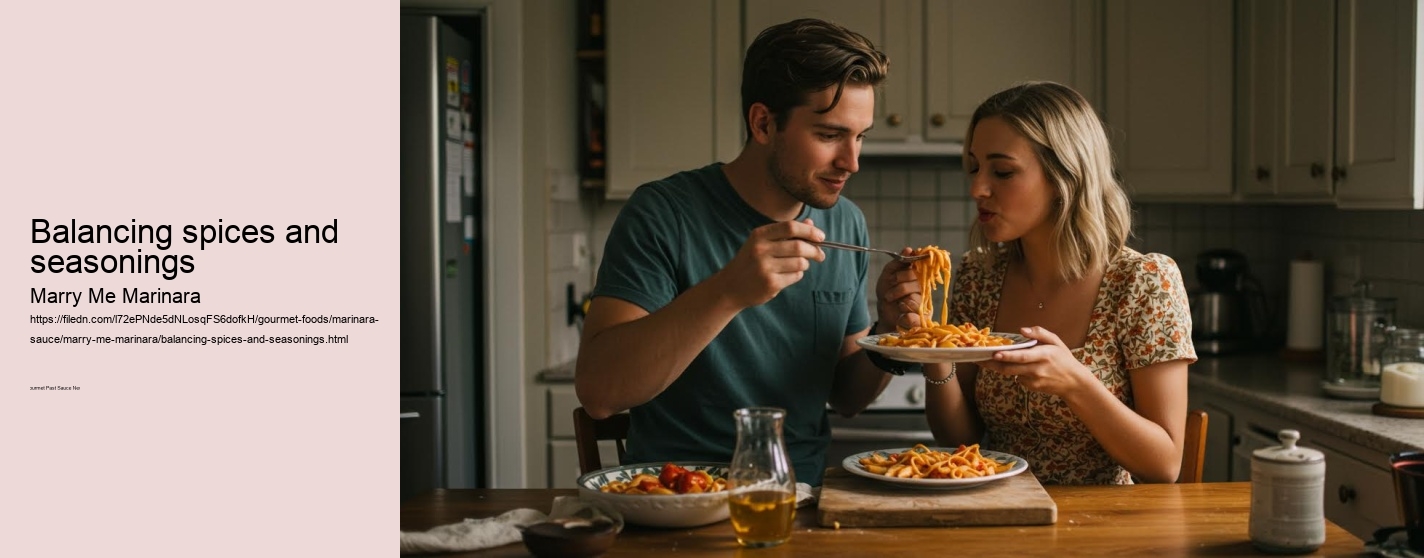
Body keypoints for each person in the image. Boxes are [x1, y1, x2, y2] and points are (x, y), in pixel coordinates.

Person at [574, 18, 914, 487]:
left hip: (802, 498)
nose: (851, 162)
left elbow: (847, 397)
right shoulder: (663, 212)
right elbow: (600, 393)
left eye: (860, 136)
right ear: (763, 123)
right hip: (677, 496)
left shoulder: (845, 221)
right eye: (830, 135)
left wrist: (891, 334)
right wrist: (728, 292)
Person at [907, 81, 1196, 484]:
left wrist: (1075, 383)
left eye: (1002, 171)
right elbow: (960, 437)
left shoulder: (1142, 282)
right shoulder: (978, 276)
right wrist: (933, 353)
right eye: (974, 167)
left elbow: (1164, 464)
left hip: (1102, 530)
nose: (977, 188)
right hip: (1000, 514)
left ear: (1065, 177)